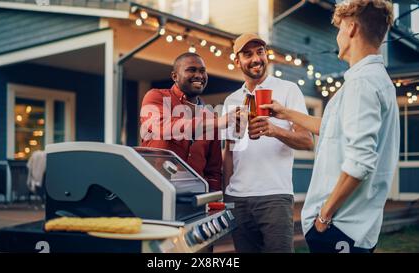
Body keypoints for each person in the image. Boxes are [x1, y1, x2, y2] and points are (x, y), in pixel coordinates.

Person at [258, 0, 399, 253]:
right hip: (352, 227)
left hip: (340, 228)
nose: (337, 36)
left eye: (339, 29)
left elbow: (360, 163)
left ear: (352, 29)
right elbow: (333, 128)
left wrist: (323, 216)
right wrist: (285, 112)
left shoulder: (362, 84)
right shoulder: (375, 80)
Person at [222, 33, 314, 253]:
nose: (256, 58)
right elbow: (229, 151)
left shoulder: (287, 90)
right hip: (238, 198)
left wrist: (274, 130)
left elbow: (307, 141)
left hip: (274, 196)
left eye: (260, 52)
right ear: (237, 61)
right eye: (247, 54)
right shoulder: (231, 100)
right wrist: (226, 196)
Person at [140, 52, 234, 191]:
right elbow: (163, 127)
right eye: (191, 70)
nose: (199, 75)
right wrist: (217, 122)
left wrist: (214, 198)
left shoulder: (211, 118)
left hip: (195, 194)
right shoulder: (156, 96)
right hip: (155, 186)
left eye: (202, 71)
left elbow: (213, 170)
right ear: (175, 76)